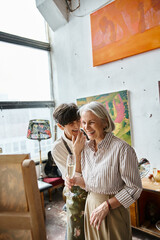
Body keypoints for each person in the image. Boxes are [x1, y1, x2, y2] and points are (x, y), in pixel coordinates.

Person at [66, 101, 142, 240]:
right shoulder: (86, 148)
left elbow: (134, 188)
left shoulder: (123, 149)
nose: (86, 127)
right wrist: (76, 181)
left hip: (113, 210)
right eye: (83, 122)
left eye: (91, 122)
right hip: (91, 207)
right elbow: (89, 183)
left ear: (105, 122)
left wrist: (106, 205)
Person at [51, 103, 87, 240]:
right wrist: (77, 152)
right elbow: (72, 177)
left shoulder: (88, 136)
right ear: (61, 126)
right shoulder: (58, 148)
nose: (77, 126)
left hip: (94, 186)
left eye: (78, 120)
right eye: (71, 123)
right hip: (76, 191)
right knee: (75, 233)